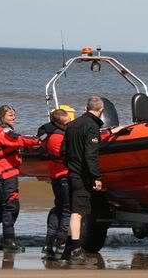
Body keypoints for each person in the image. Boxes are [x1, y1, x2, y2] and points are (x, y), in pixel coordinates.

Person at [0, 105, 39, 252]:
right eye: (10, 115)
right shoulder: (2, 130)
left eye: (14, 115)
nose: (13, 118)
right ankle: (8, 241)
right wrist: (38, 141)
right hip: (5, 173)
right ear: (2, 117)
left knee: (1, 208)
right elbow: (17, 141)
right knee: (10, 206)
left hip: (1, 172)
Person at [61, 97, 106, 263]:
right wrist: (96, 177)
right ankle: (76, 250)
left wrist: (71, 166)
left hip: (72, 173)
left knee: (75, 210)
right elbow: (91, 155)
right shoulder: (92, 127)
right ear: (101, 110)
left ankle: (67, 248)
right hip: (82, 175)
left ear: (86, 107)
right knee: (78, 213)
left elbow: (63, 152)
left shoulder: (72, 125)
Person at [37, 108, 72, 258]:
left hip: (55, 175)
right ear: (57, 123)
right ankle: (61, 242)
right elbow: (68, 155)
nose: (68, 125)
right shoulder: (58, 138)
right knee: (66, 210)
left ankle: (49, 242)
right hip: (63, 175)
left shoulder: (47, 135)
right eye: (65, 124)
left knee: (58, 208)